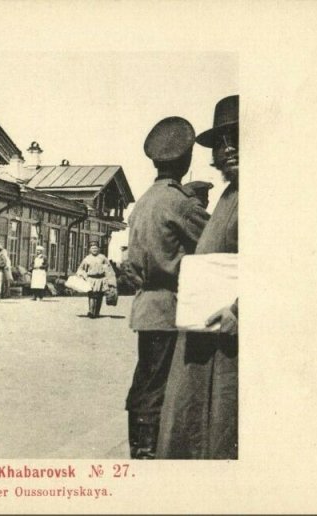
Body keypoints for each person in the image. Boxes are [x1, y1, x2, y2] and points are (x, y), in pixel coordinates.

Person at [158, 95, 239, 459]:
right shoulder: (230, 194)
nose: (229, 148)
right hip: (205, 332)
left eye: (238, 136)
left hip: (229, 337)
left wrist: (241, 309)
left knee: (221, 428)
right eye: (220, 143)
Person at [125, 116, 210, 459]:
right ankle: (148, 453)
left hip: (147, 305)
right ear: (186, 160)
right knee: (160, 385)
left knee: (146, 378)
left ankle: (140, 449)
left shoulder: (144, 200)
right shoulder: (180, 202)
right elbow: (214, 243)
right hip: (170, 307)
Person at [76, 242, 114, 318]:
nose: (94, 250)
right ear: (90, 249)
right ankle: (91, 311)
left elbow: (109, 269)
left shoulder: (103, 258)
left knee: (99, 296)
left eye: (96, 248)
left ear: (99, 249)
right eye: (93, 248)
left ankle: (97, 312)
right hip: (91, 279)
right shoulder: (87, 259)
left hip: (101, 279)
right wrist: (83, 275)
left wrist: (110, 278)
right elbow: (80, 269)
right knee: (92, 295)